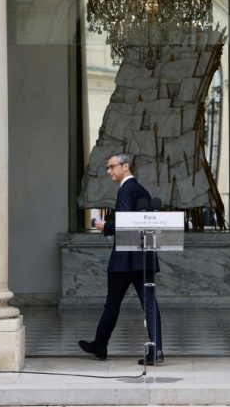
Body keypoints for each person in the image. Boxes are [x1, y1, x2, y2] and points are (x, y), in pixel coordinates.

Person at [79, 152, 164, 366]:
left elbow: (127, 223)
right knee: (150, 304)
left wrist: (104, 226)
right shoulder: (141, 189)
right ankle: (157, 350)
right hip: (144, 258)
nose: (109, 171)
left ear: (125, 166)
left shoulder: (125, 190)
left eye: (112, 167)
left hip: (125, 259)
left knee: (113, 303)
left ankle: (100, 345)